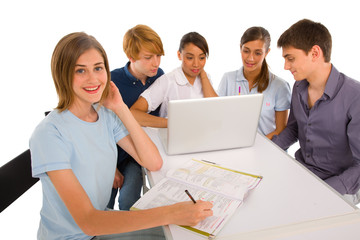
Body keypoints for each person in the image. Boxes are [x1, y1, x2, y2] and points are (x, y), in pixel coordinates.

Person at [30, 32, 213, 240]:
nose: (93, 78)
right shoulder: (48, 134)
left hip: (101, 225)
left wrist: (120, 107)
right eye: (80, 70)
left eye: (98, 68)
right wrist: (171, 212)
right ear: (62, 74)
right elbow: (89, 222)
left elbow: (153, 162)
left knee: (184, 234)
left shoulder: (106, 116)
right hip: (76, 235)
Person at [273, 19, 360, 205]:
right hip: (304, 172)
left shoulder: (355, 96)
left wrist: (323, 192)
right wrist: (269, 150)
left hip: (341, 184)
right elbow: (294, 129)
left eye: (290, 58)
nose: (286, 67)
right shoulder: (298, 87)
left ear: (314, 53)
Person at [108, 24, 165, 211]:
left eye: (158, 56)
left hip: (138, 155)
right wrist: (111, 168)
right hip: (113, 153)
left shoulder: (159, 77)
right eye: (148, 58)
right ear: (131, 57)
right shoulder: (112, 81)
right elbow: (101, 127)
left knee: (128, 201)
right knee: (103, 204)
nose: (156, 63)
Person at [130, 32, 218, 128]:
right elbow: (134, 114)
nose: (196, 64)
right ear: (179, 55)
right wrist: (172, 123)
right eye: (190, 57)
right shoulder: (167, 81)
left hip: (204, 137)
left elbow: (217, 110)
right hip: (175, 139)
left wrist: (203, 75)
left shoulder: (205, 78)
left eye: (201, 58)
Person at [217, 26, 291, 139]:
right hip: (233, 146)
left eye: (257, 53)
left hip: (266, 149)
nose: (250, 58)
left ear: (266, 52)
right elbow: (217, 118)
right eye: (246, 51)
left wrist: (254, 145)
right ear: (240, 48)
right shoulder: (228, 79)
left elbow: (281, 129)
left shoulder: (280, 86)